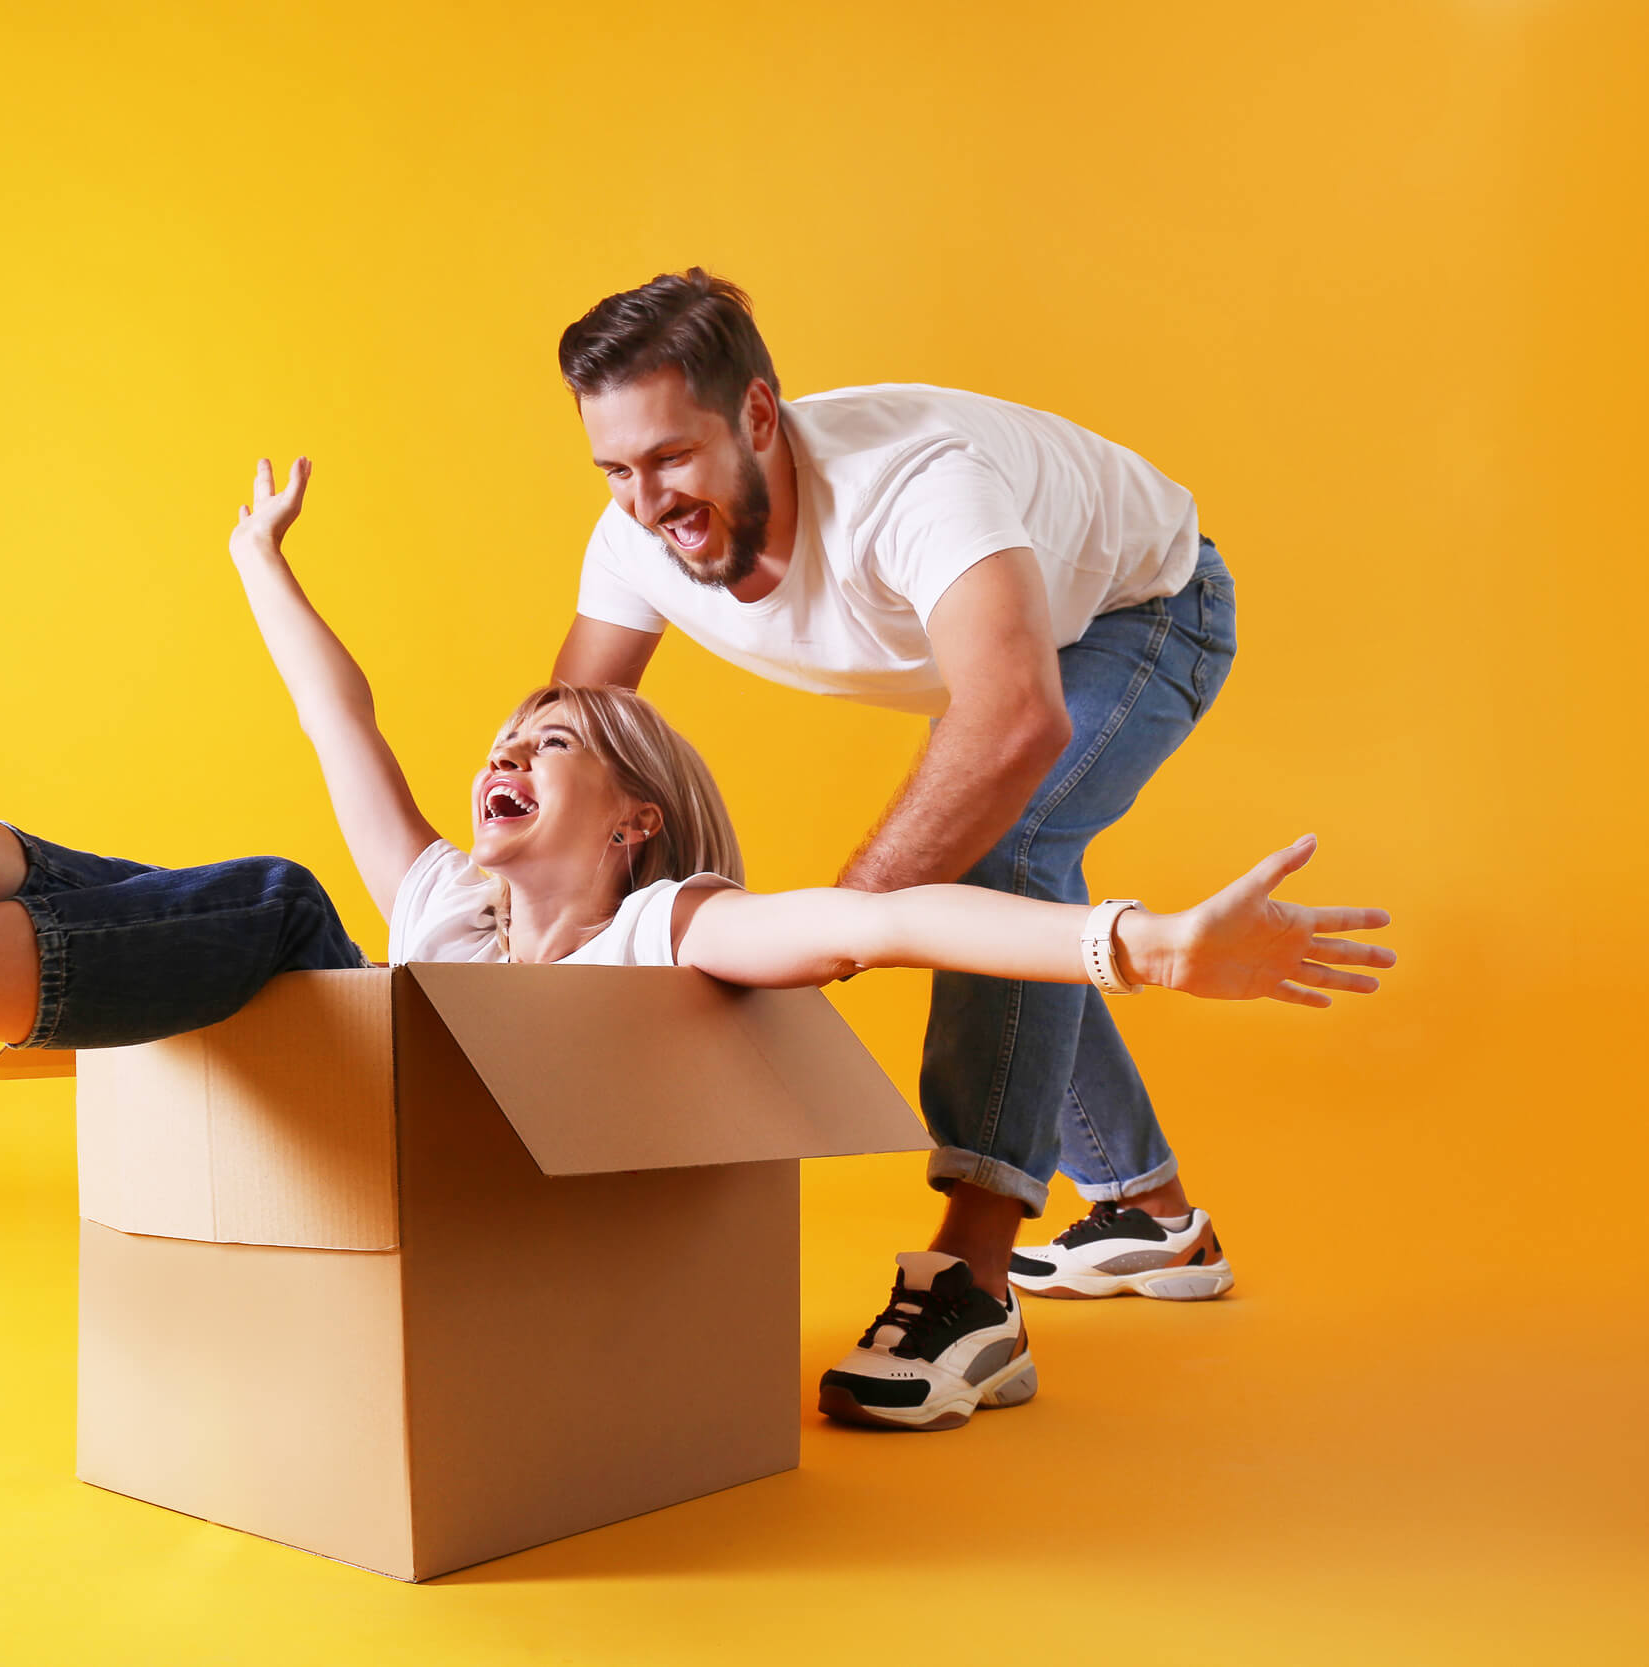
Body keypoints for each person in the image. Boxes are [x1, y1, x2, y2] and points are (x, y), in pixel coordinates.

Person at [0, 469, 1391, 1433]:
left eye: (550, 742)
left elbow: (886, 915)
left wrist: (1141, 941)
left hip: (460, 1222)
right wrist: (259, 568)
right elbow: (351, 727)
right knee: (172, 895)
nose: (503, 755)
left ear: (636, 815)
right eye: (504, 739)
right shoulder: (451, 907)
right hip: (346, 1147)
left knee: (268, 912)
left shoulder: (664, 934)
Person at [548, 267, 1316, 1424]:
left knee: (1005, 855)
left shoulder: (911, 486)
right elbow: (569, 736)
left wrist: (836, 927)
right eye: (615, 469)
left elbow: (1013, 718)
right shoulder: (633, 539)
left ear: (756, 414)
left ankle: (974, 1280)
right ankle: (1150, 1211)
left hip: (1143, 611)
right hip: (1009, 656)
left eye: (670, 458)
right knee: (1005, 882)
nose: (648, 502)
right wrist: (525, 939)